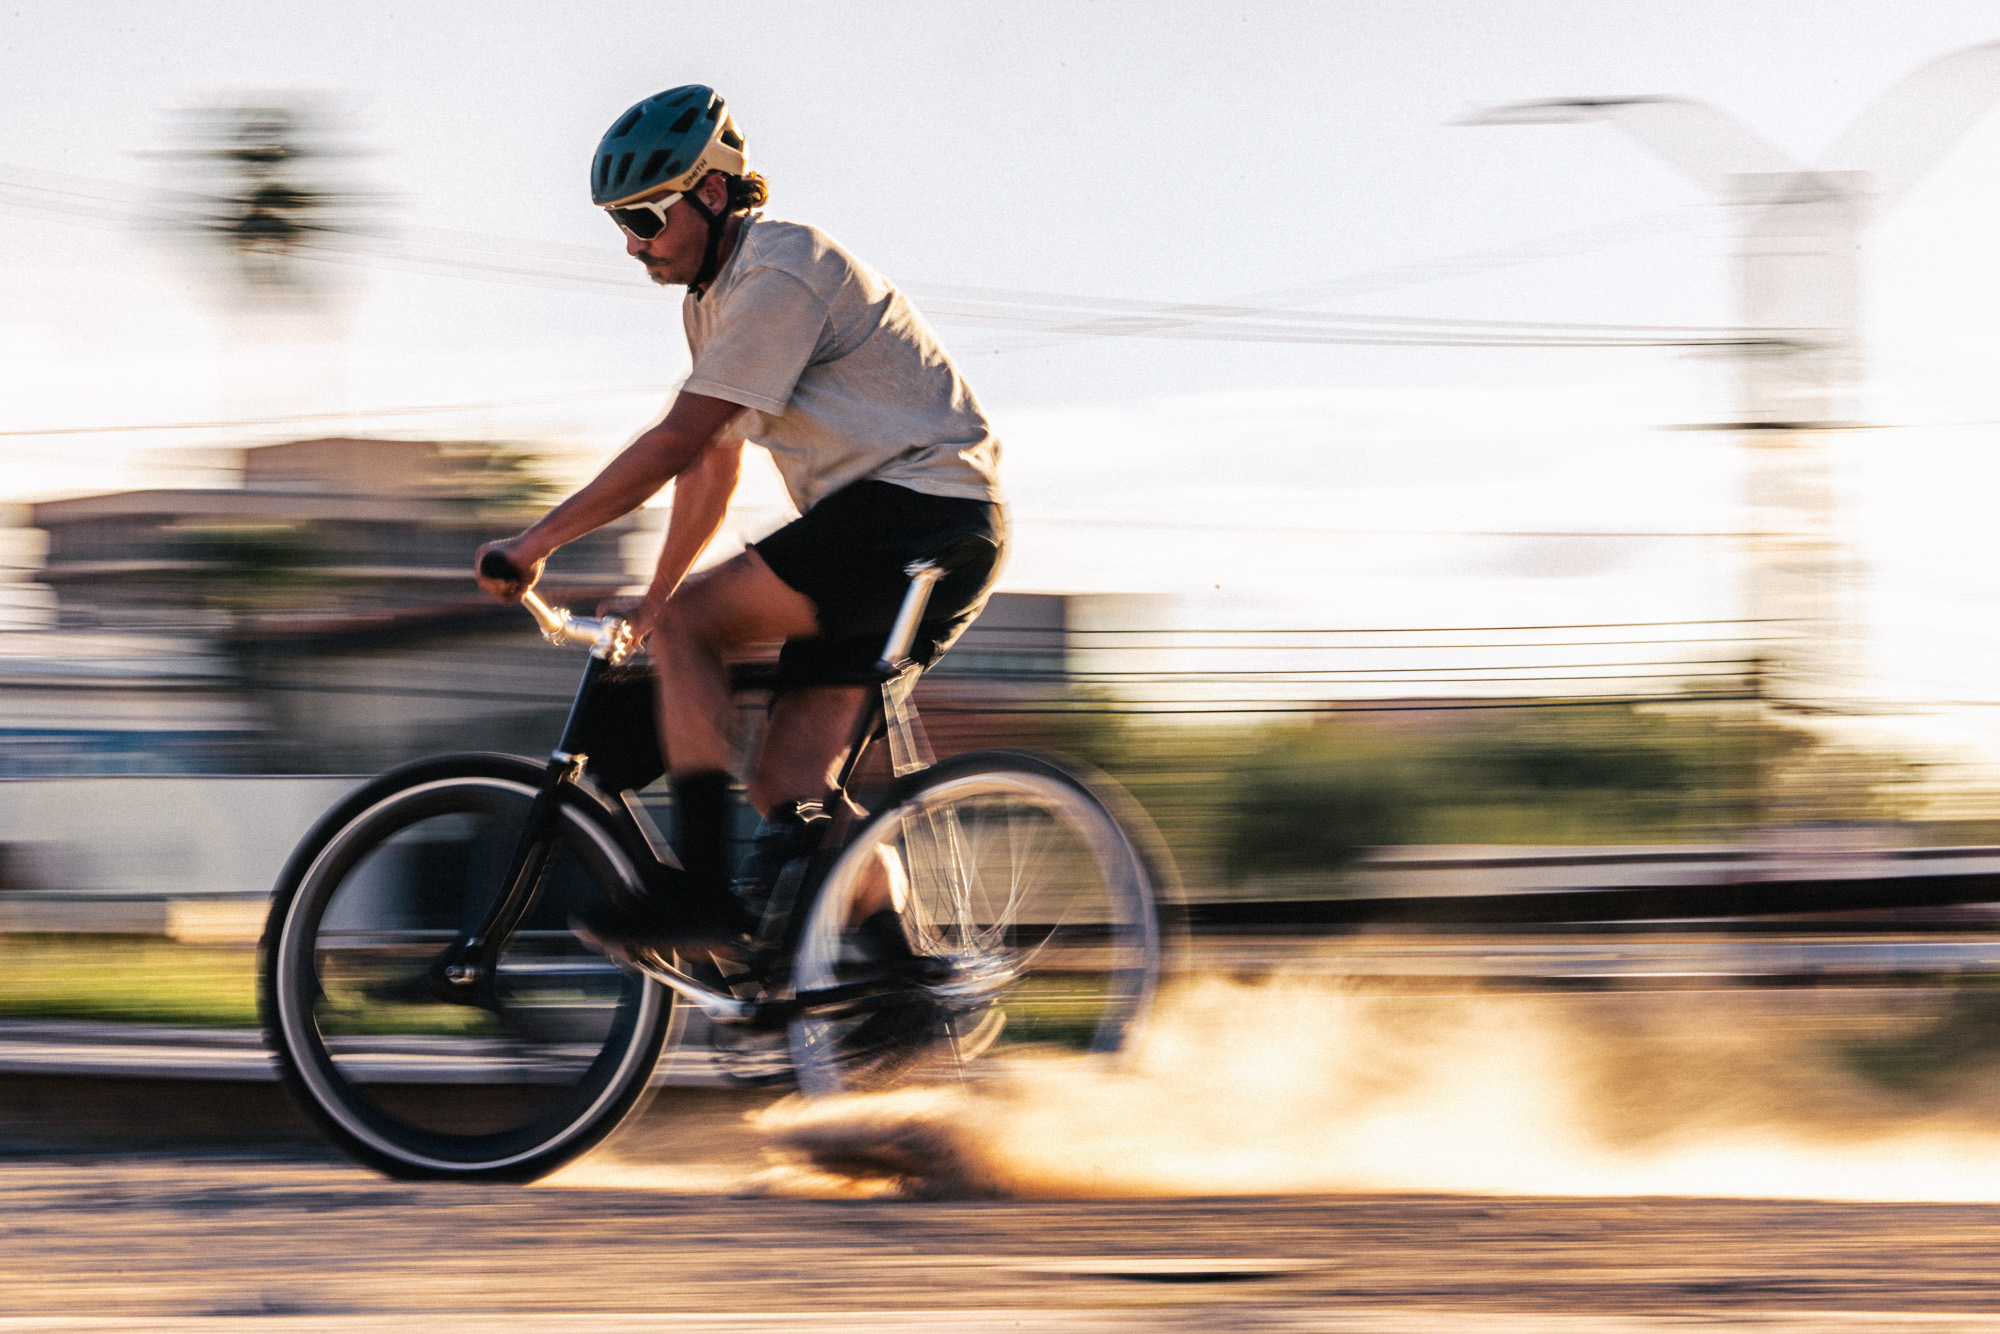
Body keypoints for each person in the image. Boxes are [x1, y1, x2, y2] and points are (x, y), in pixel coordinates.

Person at [475, 85, 1005, 960]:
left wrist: (536, 545)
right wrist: (656, 597)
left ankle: (703, 895)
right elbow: (713, 459)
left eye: (647, 217)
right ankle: (905, 981)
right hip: (909, 537)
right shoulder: (712, 301)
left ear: (713, 193)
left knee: (696, 632)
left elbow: (679, 437)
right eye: (621, 226)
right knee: (786, 784)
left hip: (915, 513)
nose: (635, 244)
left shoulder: (781, 268)